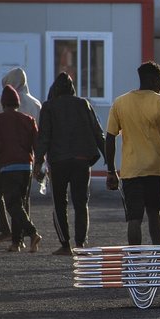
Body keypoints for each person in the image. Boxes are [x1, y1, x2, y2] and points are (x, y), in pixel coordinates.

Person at [105, 61, 160, 246]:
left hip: (131, 170)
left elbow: (109, 138)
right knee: (154, 212)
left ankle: (134, 257)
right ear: (154, 80)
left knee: (134, 218)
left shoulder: (120, 102)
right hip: (155, 169)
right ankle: (158, 253)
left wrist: (111, 170)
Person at [33, 73, 105, 254]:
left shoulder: (48, 107)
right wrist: (109, 161)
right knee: (81, 203)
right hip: (82, 161)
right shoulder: (83, 103)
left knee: (59, 203)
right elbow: (98, 133)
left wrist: (38, 163)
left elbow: (43, 138)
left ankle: (65, 245)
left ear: (55, 89)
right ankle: (80, 244)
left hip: (58, 162)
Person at [0, 85, 41, 252]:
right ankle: (16, 242)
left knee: (12, 205)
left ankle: (33, 232)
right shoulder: (29, 120)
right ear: (17, 103)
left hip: (9, 167)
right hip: (26, 167)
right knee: (20, 204)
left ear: (3, 104)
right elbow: (37, 144)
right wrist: (38, 165)